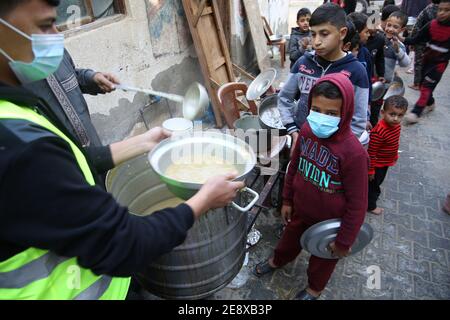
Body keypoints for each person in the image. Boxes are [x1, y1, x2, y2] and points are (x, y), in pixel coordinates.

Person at [0, 0, 245, 300]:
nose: (56, 35)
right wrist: (203, 200)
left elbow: (73, 164)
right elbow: (124, 244)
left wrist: (146, 140)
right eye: (44, 25)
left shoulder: (14, 108)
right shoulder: (17, 143)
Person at [254, 73, 368, 300]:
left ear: (345, 114)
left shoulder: (353, 153)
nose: (321, 118)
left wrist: (344, 240)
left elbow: (358, 203)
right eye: (316, 109)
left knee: (324, 259)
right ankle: (277, 260)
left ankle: (314, 289)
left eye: (331, 113)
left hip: (330, 223)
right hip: (300, 209)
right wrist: (286, 200)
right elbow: (293, 165)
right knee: (288, 240)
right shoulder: (307, 130)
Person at [279, 3, 370, 153]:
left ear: (342, 33)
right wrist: (293, 130)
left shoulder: (356, 71)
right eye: (313, 34)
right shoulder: (303, 63)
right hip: (302, 138)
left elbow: (359, 118)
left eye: (324, 34)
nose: (316, 42)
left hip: (334, 148)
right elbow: (285, 98)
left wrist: (339, 148)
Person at [403, 0, 450, 124]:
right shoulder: (432, 24)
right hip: (426, 60)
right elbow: (416, 38)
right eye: (440, 9)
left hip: (439, 65)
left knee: (426, 87)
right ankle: (430, 102)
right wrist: (400, 38)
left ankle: (416, 112)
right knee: (422, 84)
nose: (442, 13)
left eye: (446, 10)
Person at [367, 95, 408, 215]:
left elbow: (394, 142)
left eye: (400, 115)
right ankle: (370, 205)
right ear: (383, 112)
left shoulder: (396, 126)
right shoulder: (379, 132)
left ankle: (370, 198)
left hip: (386, 162)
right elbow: (371, 153)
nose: (396, 118)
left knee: (377, 183)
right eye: (392, 114)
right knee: (374, 186)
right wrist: (370, 170)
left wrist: (394, 156)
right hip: (377, 165)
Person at [408, 0, 440, 91]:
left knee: (418, 63)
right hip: (434, 42)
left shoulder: (427, 9)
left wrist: (412, 40)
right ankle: (425, 84)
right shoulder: (444, 12)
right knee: (429, 63)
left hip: (422, 41)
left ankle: (417, 84)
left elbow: (417, 25)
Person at [383, 11, 411, 83]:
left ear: (402, 29)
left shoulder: (399, 46)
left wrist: (398, 50)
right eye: (389, 25)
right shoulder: (379, 38)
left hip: (385, 81)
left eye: (395, 27)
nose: (390, 29)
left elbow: (405, 64)